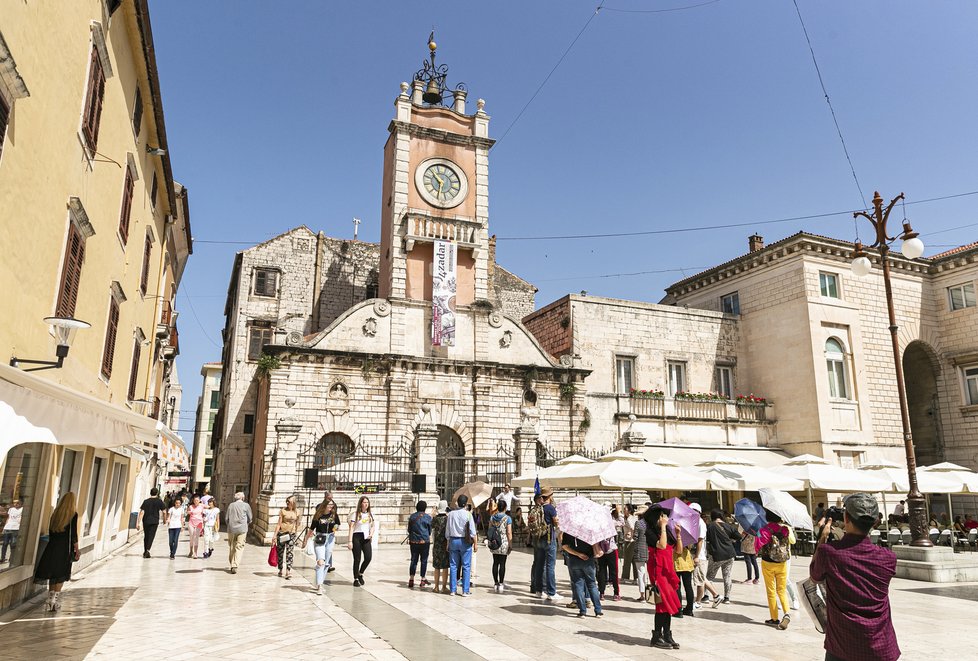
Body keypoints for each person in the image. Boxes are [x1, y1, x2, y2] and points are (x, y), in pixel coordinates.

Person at [811, 493, 900, 661]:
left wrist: (823, 537)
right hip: (881, 646)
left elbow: (815, 576)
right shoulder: (888, 557)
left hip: (843, 647)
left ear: (846, 518)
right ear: (875, 522)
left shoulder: (829, 553)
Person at [34, 492, 79, 612]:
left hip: (52, 547)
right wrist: (77, 549)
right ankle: (55, 599)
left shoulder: (55, 514)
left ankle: (50, 598)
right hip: (64, 549)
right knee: (61, 574)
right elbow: (73, 534)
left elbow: (51, 530)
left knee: (52, 573)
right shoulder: (73, 515)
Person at [646, 506, 682, 650]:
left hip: (668, 571)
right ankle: (656, 637)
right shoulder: (649, 532)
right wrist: (663, 527)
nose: (664, 518)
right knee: (661, 605)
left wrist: (678, 534)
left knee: (668, 605)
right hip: (658, 571)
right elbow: (661, 545)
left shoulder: (666, 531)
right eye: (661, 516)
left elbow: (678, 550)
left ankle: (667, 634)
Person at [756, 510, 792, 629]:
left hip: (768, 562)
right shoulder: (785, 530)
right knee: (781, 590)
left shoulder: (764, 530)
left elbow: (757, 546)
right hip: (782, 563)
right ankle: (787, 613)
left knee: (771, 591)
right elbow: (790, 541)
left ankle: (774, 618)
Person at [561, 531, 604, 618]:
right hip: (588, 560)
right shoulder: (589, 530)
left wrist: (578, 554)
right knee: (592, 584)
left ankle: (582, 611)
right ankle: (598, 610)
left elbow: (565, 546)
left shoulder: (569, 530)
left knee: (578, 584)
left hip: (574, 561)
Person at [529, 487, 560, 601]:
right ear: (550, 496)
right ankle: (551, 592)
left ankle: (539, 590)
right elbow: (556, 522)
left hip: (538, 539)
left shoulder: (537, 508)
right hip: (548, 539)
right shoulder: (550, 508)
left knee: (539, 564)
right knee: (550, 566)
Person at [304, 499, 340, 595]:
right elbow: (311, 529)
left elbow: (337, 524)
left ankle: (320, 582)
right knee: (321, 561)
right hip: (320, 538)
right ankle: (319, 585)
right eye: (329, 505)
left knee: (326, 563)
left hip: (330, 538)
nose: (331, 507)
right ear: (324, 505)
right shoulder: (318, 516)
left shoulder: (334, 515)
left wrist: (334, 529)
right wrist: (305, 540)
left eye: (332, 505)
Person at [705, 509, 740, 604]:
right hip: (729, 554)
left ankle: (706, 596)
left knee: (709, 577)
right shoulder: (729, 526)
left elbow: (707, 540)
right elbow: (738, 536)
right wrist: (730, 539)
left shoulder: (710, 526)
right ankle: (727, 598)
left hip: (716, 555)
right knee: (727, 576)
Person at [446, 494, 478, 596]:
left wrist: (448, 541)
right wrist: (475, 542)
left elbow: (448, 530)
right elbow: (473, 531)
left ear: (457, 503)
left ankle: (453, 590)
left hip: (453, 540)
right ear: (465, 504)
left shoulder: (451, 514)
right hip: (465, 541)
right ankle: (465, 590)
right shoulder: (468, 514)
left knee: (453, 565)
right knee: (466, 566)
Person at [690, 503, 720, 608]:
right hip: (697, 555)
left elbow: (700, 541)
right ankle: (716, 596)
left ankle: (698, 602)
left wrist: (697, 556)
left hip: (700, 556)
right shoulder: (695, 522)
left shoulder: (700, 523)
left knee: (699, 581)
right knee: (701, 578)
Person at [347, 496, 378, 587]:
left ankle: (360, 573)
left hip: (366, 537)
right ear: (361, 503)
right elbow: (351, 527)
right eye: (364, 502)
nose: (366, 504)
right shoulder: (355, 514)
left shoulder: (370, 514)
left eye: (367, 502)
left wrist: (371, 534)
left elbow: (372, 526)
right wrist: (350, 541)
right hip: (357, 536)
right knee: (357, 559)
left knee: (368, 557)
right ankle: (356, 578)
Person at [489, 498, 513, 593]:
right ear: (505, 508)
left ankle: (495, 582)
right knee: (502, 563)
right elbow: (509, 532)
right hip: (503, 542)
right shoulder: (508, 518)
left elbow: (490, 529)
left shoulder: (492, 517)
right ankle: (501, 583)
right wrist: (510, 545)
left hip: (495, 542)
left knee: (495, 562)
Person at [274, 496, 301, 579]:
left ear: (293, 502)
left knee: (289, 553)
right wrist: (274, 535)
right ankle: (280, 569)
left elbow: (298, 524)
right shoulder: (283, 511)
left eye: (289, 501)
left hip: (291, 535)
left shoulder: (297, 512)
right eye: (287, 501)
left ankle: (288, 571)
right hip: (282, 534)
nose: (287, 503)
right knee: (280, 552)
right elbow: (279, 524)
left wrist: (296, 533)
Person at [407, 500, 433, 589]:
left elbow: (409, 529)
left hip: (414, 541)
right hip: (424, 541)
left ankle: (411, 578)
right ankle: (422, 579)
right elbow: (430, 530)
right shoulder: (428, 517)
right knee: (424, 560)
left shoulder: (412, 517)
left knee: (413, 560)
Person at [226, 491, 253, 574]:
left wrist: (229, 525)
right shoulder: (246, 505)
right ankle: (234, 565)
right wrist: (247, 523)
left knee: (232, 546)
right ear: (243, 498)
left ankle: (232, 563)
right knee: (239, 546)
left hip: (231, 529)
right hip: (242, 529)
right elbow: (250, 518)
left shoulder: (231, 505)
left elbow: (226, 518)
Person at [672, 523, 695, 617]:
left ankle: (678, 610)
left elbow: (678, 550)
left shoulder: (674, 532)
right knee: (688, 586)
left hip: (677, 562)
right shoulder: (688, 532)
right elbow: (690, 546)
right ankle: (689, 609)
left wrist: (677, 535)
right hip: (687, 562)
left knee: (677, 587)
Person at [136, 489, 165, 559]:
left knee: (146, 536)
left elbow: (142, 512)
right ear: (157, 493)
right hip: (154, 521)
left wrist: (138, 523)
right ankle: (147, 550)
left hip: (146, 521)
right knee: (151, 536)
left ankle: (145, 550)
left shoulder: (146, 501)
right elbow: (164, 511)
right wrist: (164, 520)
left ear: (150, 493)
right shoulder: (159, 501)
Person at [431, 500, 450, 594]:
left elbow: (431, 526)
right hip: (445, 544)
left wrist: (433, 512)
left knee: (437, 567)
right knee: (445, 567)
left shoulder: (435, 519)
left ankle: (436, 586)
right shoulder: (448, 519)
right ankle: (444, 586)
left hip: (437, 545)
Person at [632, 505, 650, 601]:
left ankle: (642, 595)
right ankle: (650, 593)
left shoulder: (638, 523)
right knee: (649, 573)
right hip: (649, 549)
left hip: (639, 549)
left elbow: (635, 537)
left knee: (640, 572)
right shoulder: (651, 523)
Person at [597, 533, 621, 601]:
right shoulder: (611, 525)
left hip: (601, 550)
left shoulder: (598, 525)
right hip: (612, 549)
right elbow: (621, 523)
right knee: (614, 572)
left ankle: (601, 593)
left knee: (601, 571)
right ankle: (616, 593)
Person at [1, 499, 23, 563]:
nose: (15, 504)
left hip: (16, 528)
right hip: (8, 527)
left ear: (21, 503)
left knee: (13, 544)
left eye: (17, 503)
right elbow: (8, 518)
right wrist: (4, 527)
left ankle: (12, 558)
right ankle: (2, 558)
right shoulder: (11, 509)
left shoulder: (22, 509)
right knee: (5, 543)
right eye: (14, 503)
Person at [620, 504, 637, 583]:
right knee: (633, 559)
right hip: (632, 541)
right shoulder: (632, 518)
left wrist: (631, 535)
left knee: (627, 559)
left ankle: (625, 577)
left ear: (629, 510)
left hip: (629, 541)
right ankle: (636, 577)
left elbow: (633, 528)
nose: (624, 510)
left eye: (625, 509)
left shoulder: (629, 519)